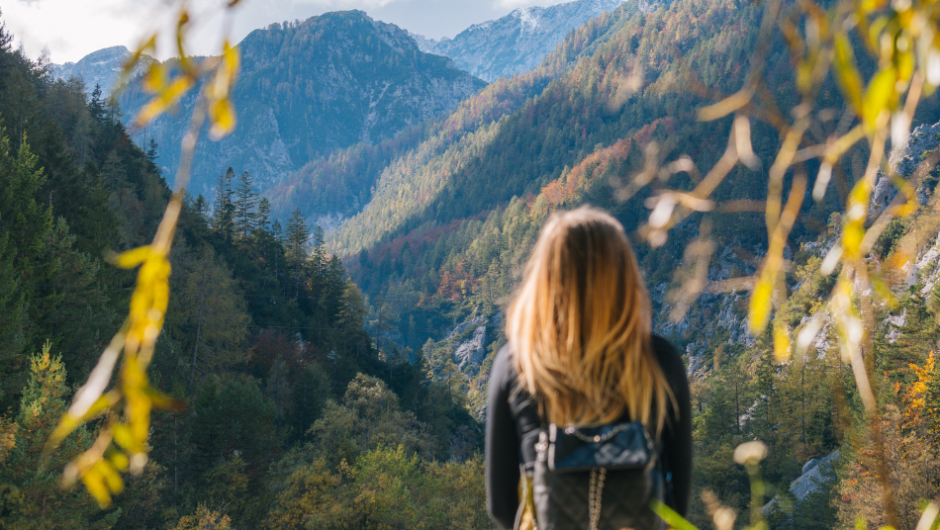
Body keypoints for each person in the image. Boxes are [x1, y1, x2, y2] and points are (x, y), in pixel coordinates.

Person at [485, 206, 692, 530]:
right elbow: (677, 500)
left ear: (547, 277)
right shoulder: (659, 361)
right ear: (623, 276)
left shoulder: (517, 365)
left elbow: (500, 504)